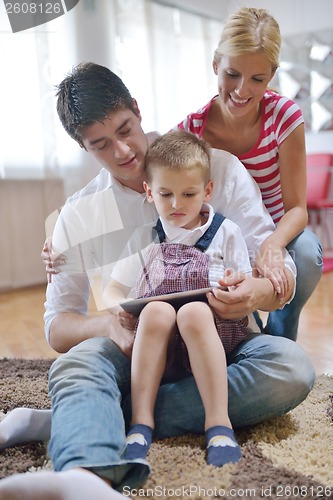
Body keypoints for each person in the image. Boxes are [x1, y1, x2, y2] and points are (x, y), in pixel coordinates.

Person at [0, 62, 315, 499]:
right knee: (76, 364)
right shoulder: (80, 213)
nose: (124, 152)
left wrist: (253, 295)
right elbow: (58, 325)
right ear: (82, 147)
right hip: (139, 347)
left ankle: (89, 415)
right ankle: (87, 474)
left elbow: (279, 269)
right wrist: (106, 325)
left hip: (224, 343)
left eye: (126, 129)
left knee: (291, 368)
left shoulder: (215, 169)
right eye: (101, 145)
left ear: (137, 109)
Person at [104, 131, 252, 467]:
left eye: (188, 194)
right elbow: (112, 289)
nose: (176, 205)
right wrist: (120, 309)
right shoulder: (146, 237)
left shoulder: (225, 232)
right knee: (156, 311)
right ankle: (141, 423)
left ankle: (218, 423)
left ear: (207, 191)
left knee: (194, 313)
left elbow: (245, 279)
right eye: (165, 194)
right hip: (161, 348)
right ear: (149, 192)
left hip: (212, 337)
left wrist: (233, 284)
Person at [174, 7, 322, 341]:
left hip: (278, 232)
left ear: (271, 76)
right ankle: (245, 336)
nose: (242, 90)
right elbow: (144, 176)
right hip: (219, 242)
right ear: (215, 65)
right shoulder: (191, 129)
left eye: (257, 79)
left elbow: (297, 208)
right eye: (232, 74)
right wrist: (68, 227)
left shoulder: (283, 116)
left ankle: (281, 337)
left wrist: (272, 243)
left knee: (308, 253)